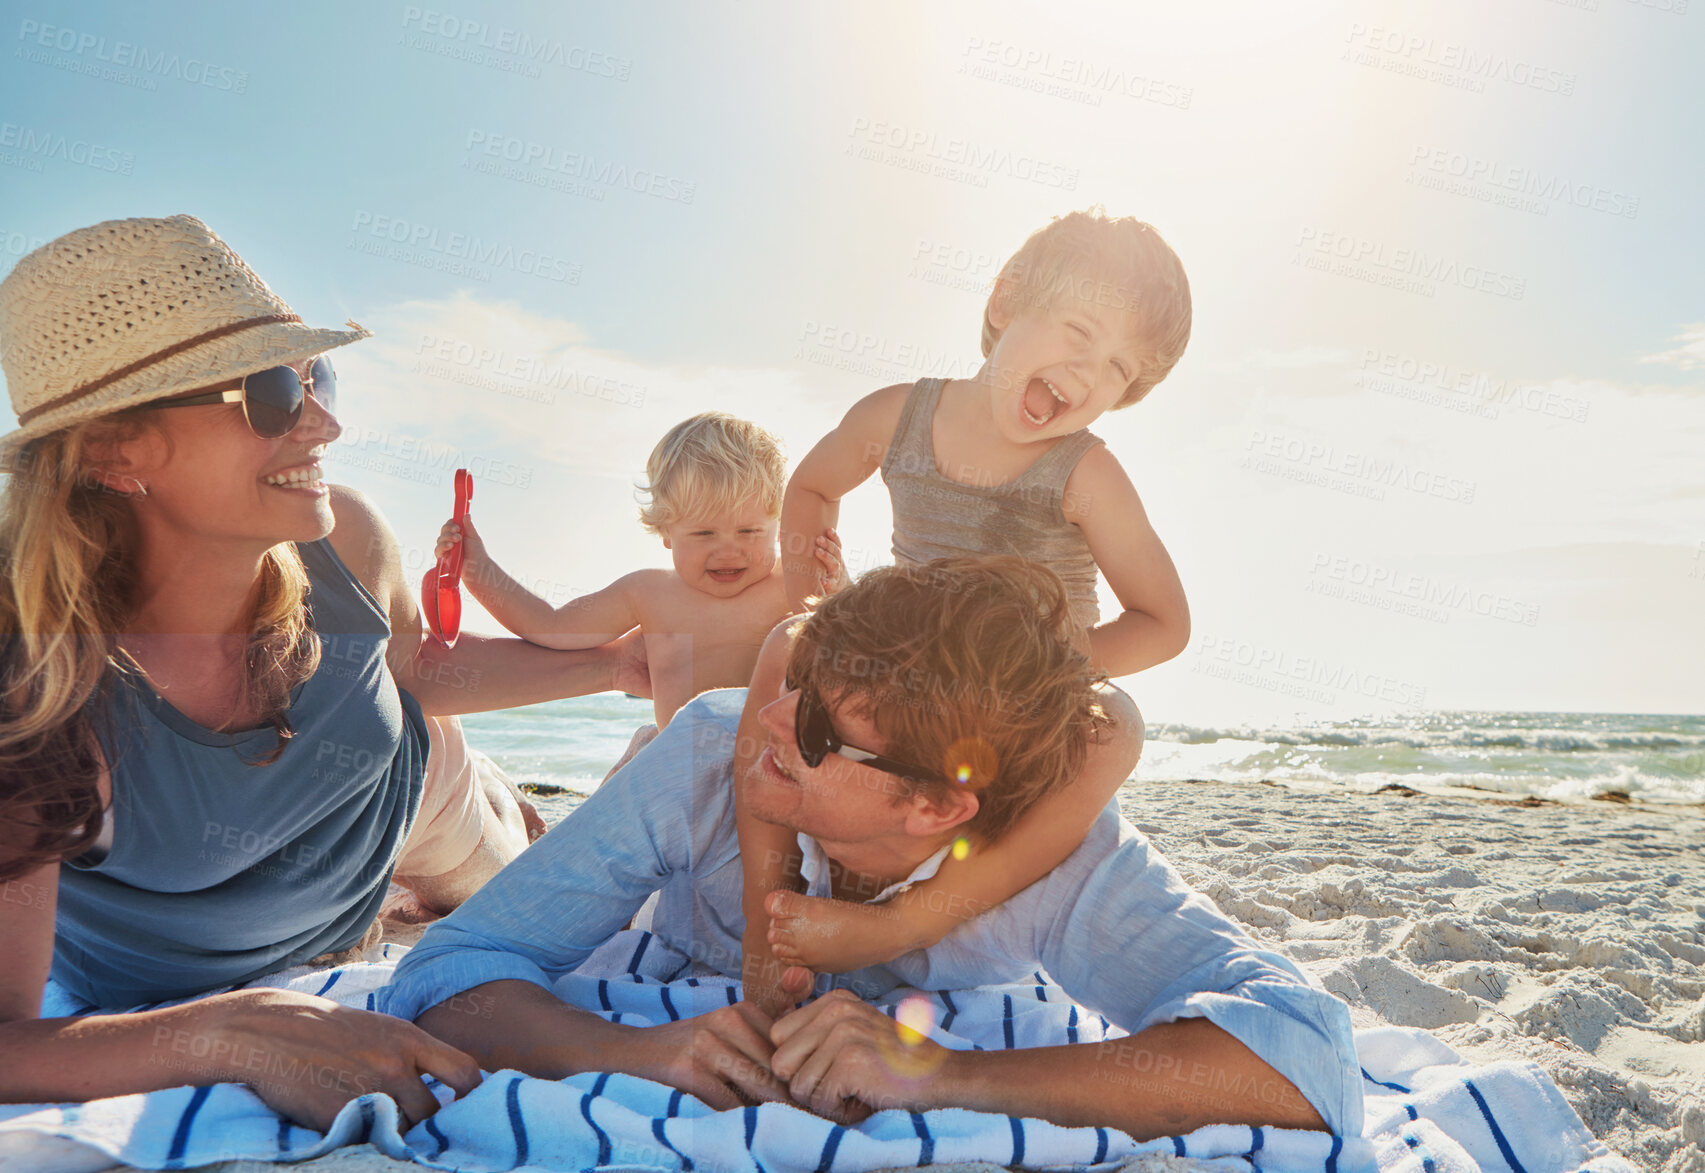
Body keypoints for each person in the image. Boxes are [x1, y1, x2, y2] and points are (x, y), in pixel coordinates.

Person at [0, 215, 647, 1132]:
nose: (327, 421)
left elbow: (419, 665)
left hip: (414, 799)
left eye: (318, 378)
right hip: (236, 938)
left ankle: (515, 817)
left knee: (595, 941)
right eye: (270, 392)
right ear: (114, 450)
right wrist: (238, 1027)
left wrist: (612, 664)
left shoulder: (346, 535)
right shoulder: (34, 689)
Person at [380, 558, 1362, 1141]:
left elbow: (1303, 1051)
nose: (769, 719)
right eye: (793, 680)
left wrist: (948, 1077)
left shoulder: (1058, 859)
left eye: (814, 731)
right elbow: (446, 972)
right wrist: (628, 1051)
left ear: (935, 808)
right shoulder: (705, 753)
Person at [740, 208, 1196, 1007]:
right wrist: (822, 604)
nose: (1089, 373)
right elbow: (810, 487)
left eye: (1118, 369)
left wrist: (1041, 674)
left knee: (1116, 722)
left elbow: (1164, 621)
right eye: (1079, 332)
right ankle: (764, 918)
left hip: (1012, 699)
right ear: (1005, 300)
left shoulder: (1085, 473)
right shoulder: (899, 415)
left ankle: (897, 925)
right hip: (900, 669)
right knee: (785, 638)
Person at [435, 411, 843, 772]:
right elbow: (554, 627)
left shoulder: (790, 586)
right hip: (676, 766)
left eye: (749, 531)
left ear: (777, 525)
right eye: (703, 533)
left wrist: (838, 585)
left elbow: (858, 638)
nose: (728, 549)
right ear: (666, 532)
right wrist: (479, 571)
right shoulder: (648, 591)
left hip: (773, 766)